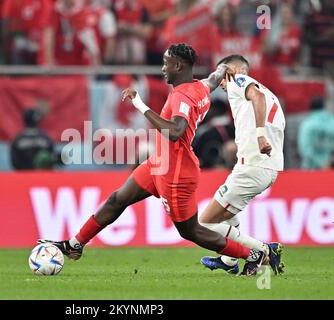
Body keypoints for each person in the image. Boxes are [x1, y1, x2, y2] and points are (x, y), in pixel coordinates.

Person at [40, 44, 270, 276]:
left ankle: (253, 254)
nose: (162, 68)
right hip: (158, 163)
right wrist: (224, 67)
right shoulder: (200, 87)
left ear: (178, 65)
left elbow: (176, 130)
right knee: (117, 199)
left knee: (190, 231)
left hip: (176, 172)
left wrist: (139, 105)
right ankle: (75, 245)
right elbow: (214, 77)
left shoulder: (183, 95)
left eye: (166, 63)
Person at [198, 55, 285, 275]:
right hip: (265, 167)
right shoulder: (270, 94)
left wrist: (259, 135)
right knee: (225, 215)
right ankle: (229, 260)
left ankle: (262, 250)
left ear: (231, 69)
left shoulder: (239, 81)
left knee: (204, 223)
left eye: (220, 76)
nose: (220, 83)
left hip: (253, 167)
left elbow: (256, 97)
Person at [297, 97, 334, 169]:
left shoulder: (307, 124)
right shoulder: (332, 120)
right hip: (331, 167)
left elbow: (304, 149)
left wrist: (321, 163)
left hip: (311, 169)